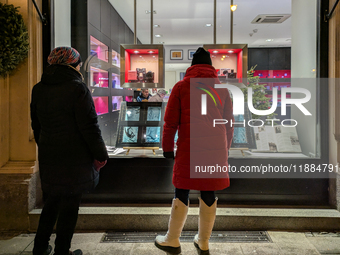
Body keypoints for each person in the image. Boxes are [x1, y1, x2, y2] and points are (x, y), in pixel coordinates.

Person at [155, 47, 234, 255]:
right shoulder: (223, 90)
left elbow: (170, 123)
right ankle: (204, 241)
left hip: (188, 148)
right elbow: (229, 125)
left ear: (192, 66)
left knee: (182, 189)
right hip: (215, 150)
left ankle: (172, 239)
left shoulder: (181, 87)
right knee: (209, 191)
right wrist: (225, 149)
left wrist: (167, 148)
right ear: (211, 67)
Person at [30, 46, 108, 255]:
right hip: (75, 158)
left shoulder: (38, 88)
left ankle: (39, 247)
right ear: (73, 65)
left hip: (49, 154)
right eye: (79, 63)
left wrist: (46, 145)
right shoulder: (77, 88)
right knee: (70, 206)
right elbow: (89, 126)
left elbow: (36, 124)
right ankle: (62, 251)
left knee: (51, 202)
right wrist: (101, 155)